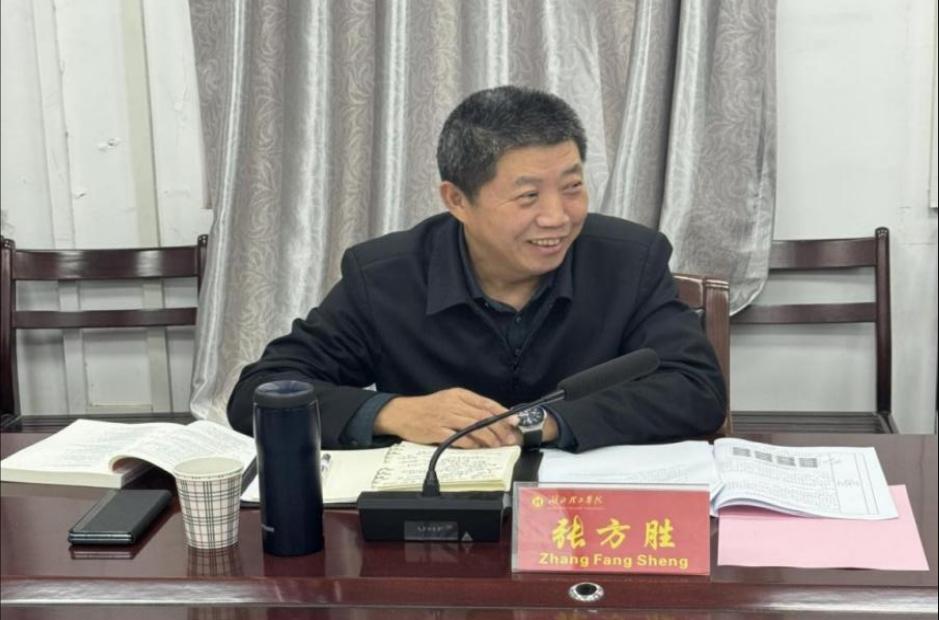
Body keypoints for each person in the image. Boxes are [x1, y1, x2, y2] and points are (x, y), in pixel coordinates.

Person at [227, 85, 727, 452]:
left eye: (572, 187)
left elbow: (696, 389)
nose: (557, 217)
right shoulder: (384, 277)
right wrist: (393, 412)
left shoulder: (630, 261)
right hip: (437, 527)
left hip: (584, 519)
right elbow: (258, 392)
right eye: (528, 196)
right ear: (457, 200)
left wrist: (543, 423)